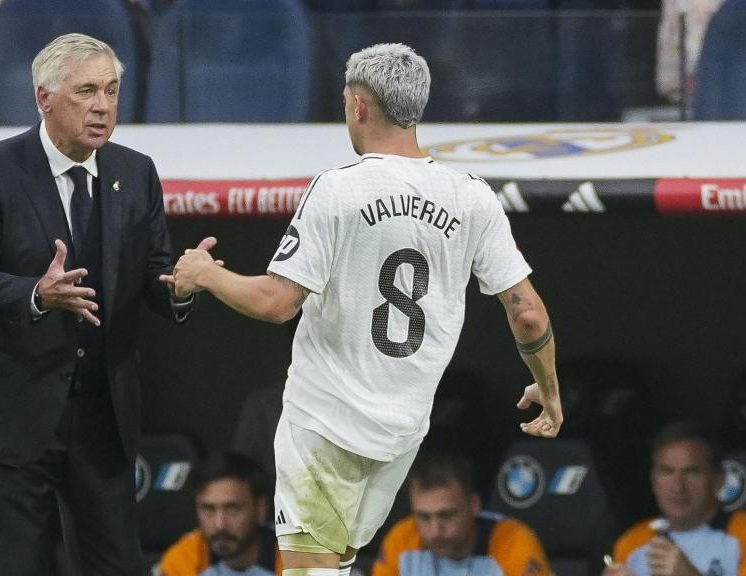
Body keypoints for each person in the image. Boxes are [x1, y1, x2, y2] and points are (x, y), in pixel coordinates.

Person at [163, 43, 563, 576]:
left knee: (314, 573)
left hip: (324, 426)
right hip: (398, 437)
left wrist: (205, 274)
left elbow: (277, 303)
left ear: (357, 105)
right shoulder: (474, 197)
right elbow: (529, 315)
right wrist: (549, 390)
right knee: (335, 568)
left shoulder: (338, 189)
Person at [0, 33, 213, 575]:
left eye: (112, 91)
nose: (103, 106)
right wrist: (35, 295)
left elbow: (153, 274)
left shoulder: (134, 173)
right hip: (10, 413)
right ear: (44, 98)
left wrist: (182, 287)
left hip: (102, 418)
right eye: (86, 91)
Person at [371, 449, 550, 576]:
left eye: (446, 515)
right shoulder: (402, 541)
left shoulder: (513, 541)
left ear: (474, 504)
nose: (435, 531)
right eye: (424, 517)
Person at [603, 421, 746, 576]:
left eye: (692, 472)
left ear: (718, 480)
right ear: (653, 480)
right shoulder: (631, 542)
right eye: (667, 472)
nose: (678, 487)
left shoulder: (742, 535)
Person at [156, 452, 283, 576]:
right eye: (208, 510)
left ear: (261, 509)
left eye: (232, 509)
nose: (220, 525)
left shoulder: (295, 557)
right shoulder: (184, 559)